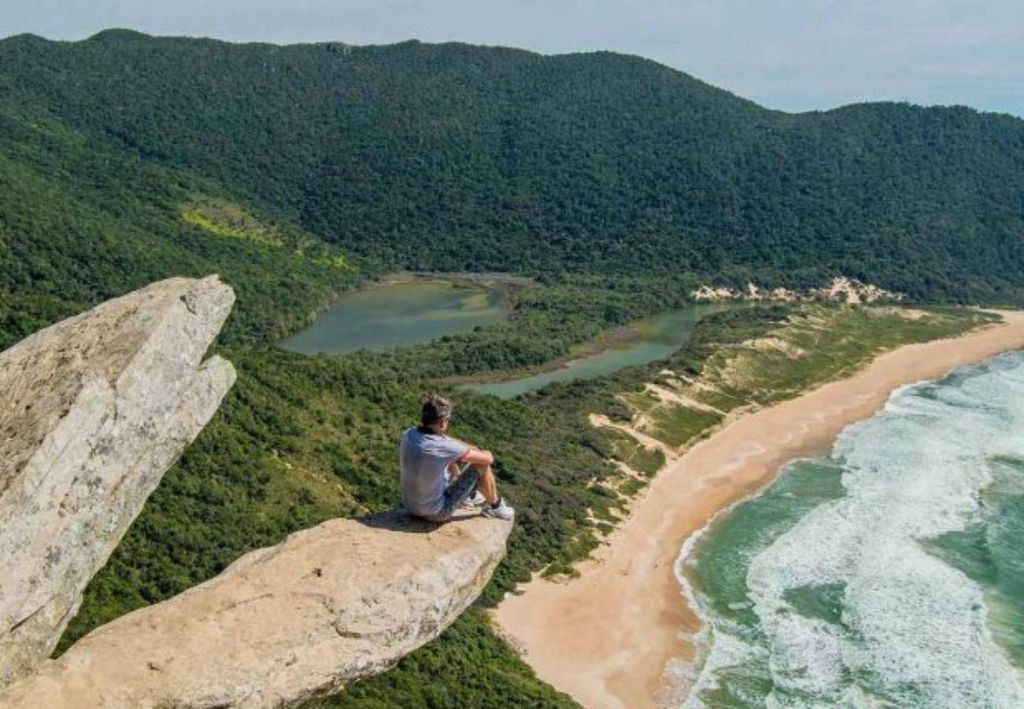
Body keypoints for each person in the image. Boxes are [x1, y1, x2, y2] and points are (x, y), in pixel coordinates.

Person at [399, 394, 514, 522]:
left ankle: (469, 496)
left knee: (452, 456)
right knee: (481, 464)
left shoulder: (408, 434)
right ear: (442, 422)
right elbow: (488, 459)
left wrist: (467, 449)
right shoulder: (443, 447)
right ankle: (497, 507)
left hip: (410, 506)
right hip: (436, 513)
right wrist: (483, 452)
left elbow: (445, 445)